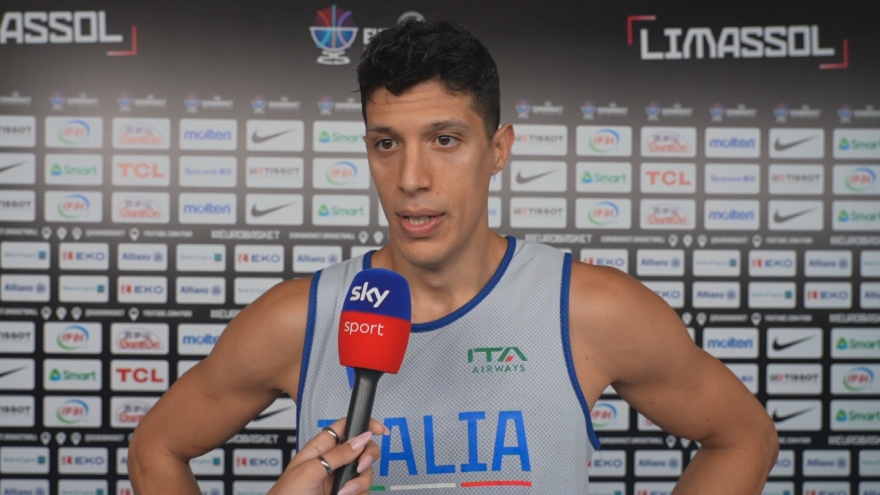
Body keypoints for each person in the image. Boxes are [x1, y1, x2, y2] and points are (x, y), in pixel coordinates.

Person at [129, 20, 778, 494]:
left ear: (498, 149)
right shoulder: (297, 318)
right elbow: (155, 447)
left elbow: (743, 437)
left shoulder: (591, 308)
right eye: (387, 144)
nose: (411, 178)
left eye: (445, 139)